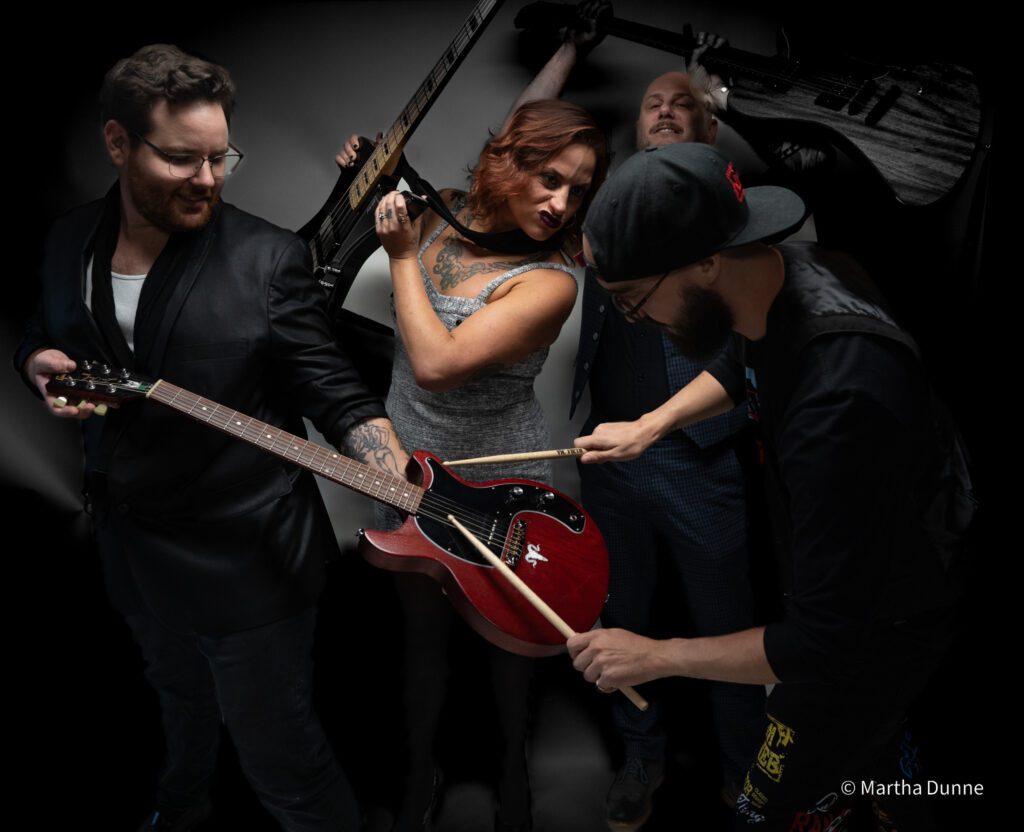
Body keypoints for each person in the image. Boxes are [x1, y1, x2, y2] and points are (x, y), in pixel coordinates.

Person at [15, 44, 407, 832]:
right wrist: (36, 365)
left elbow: (333, 391)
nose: (208, 179)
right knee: (177, 702)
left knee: (284, 763)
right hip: (132, 549)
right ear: (119, 143)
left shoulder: (268, 259)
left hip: (249, 564)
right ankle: (182, 809)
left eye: (220, 157)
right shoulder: (67, 240)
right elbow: (42, 335)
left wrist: (394, 473)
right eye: (181, 158)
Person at [568, 142, 969, 830]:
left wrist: (654, 655)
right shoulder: (786, 274)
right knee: (873, 761)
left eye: (634, 303)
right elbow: (740, 357)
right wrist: (650, 425)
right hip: (847, 595)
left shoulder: (838, 401)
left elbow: (821, 643)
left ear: (705, 262)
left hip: (883, 626)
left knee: (770, 808)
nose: (640, 321)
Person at [511, 7, 766, 825]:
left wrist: (709, 87)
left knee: (728, 627)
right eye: (652, 103)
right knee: (623, 621)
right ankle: (640, 760)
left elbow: (754, 353)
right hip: (610, 460)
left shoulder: (731, 216)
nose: (663, 109)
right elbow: (522, 144)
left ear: (709, 128)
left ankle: (747, 777)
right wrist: (570, 47)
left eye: (681, 104)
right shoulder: (604, 210)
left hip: (702, 459)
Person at [342, 99, 607, 832]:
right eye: (550, 178)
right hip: (407, 468)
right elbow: (514, 130)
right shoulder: (449, 209)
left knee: (507, 642)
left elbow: (435, 365)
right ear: (509, 164)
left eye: (579, 190)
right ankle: (417, 776)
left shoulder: (551, 283)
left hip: (501, 486)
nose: (561, 204)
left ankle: (512, 774)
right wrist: (361, 177)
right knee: (421, 635)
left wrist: (401, 257)